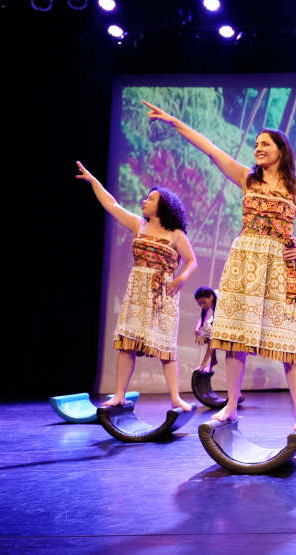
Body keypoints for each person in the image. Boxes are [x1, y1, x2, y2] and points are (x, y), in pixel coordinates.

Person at [142, 101, 296, 431]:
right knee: (233, 338)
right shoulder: (247, 178)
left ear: (280, 150)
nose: (258, 149)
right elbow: (211, 149)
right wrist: (175, 121)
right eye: (256, 144)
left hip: (279, 267)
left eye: (265, 144)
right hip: (244, 261)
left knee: (288, 344)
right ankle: (231, 406)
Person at [76, 162, 196, 411]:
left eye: (150, 198)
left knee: (166, 349)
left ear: (162, 206)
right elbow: (111, 204)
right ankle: (119, 394)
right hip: (137, 289)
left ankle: (175, 398)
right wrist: (93, 181)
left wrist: (181, 278)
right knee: (127, 344)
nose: (144, 201)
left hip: (163, 293)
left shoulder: (175, 234)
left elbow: (192, 261)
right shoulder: (138, 224)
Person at [194, 287, 218, 373]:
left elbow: (213, 335)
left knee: (211, 334)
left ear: (211, 297)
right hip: (218, 318)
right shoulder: (212, 296)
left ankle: (207, 362)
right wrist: (197, 330)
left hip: (228, 318)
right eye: (200, 304)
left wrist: (204, 362)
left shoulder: (219, 301)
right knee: (208, 332)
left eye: (204, 302)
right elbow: (203, 315)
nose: (202, 306)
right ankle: (214, 359)